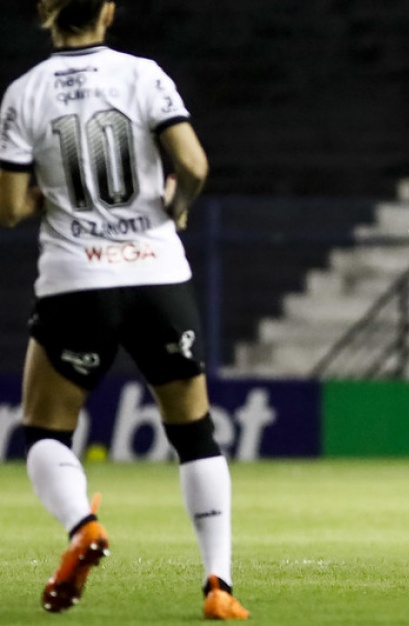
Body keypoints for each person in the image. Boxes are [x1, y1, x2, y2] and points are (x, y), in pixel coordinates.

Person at [0, 0, 248, 619]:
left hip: (75, 281)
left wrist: (42, 195)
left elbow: (7, 208)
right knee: (194, 432)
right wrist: (177, 201)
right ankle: (218, 586)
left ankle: (83, 525)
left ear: (45, 12)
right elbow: (192, 163)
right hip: (157, 274)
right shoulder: (143, 74)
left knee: (46, 431)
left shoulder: (23, 94)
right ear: (108, 10)